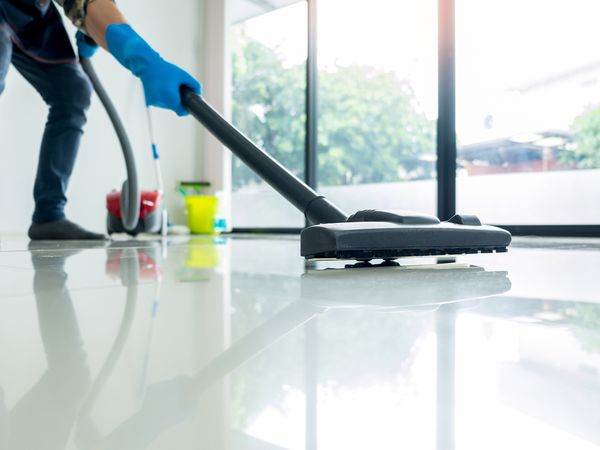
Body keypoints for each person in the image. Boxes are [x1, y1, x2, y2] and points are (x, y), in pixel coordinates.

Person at [0, 0, 201, 240]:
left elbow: (88, 3)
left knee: (73, 92)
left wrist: (91, 27)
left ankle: (49, 214)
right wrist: (146, 60)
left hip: (33, 15)